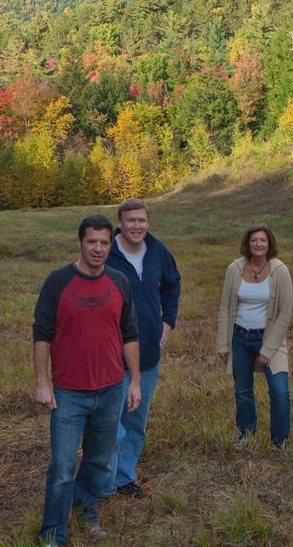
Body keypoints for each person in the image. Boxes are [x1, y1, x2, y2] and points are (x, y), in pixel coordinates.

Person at [33, 215, 141, 547]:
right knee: (63, 465)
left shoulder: (120, 281)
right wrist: (42, 381)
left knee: (98, 460)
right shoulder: (58, 281)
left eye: (104, 243)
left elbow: (130, 334)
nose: (97, 248)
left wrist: (134, 380)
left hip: (111, 389)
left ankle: (84, 507)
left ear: (112, 245)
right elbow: (42, 334)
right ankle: (53, 532)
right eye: (91, 241)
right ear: (79, 242)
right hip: (68, 393)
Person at [104, 198, 180, 496]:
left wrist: (168, 320)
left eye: (142, 220)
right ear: (120, 222)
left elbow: (173, 284)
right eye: (130, 220)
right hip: (112, 353)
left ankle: (124, 478)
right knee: (111, 423)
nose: (137, 226)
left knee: (135, 421)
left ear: (148, 223)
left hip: (148, 353)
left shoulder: (158, 251)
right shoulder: (106, 252)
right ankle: (104, 482)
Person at [216, 225, 293, 447]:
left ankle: (280, 441)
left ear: (270, 244)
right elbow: (224, 307)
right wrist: (223, 343)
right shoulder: (235, 268)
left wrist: (268, 349)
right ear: (247, 244)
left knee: (279, 391)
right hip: (239, 338)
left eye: (262, 240)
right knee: (242, 390)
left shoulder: (280, 270)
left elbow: (285, 312)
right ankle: (246, 434)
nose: (258, 244)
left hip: (269, 339)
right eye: (254, 240)